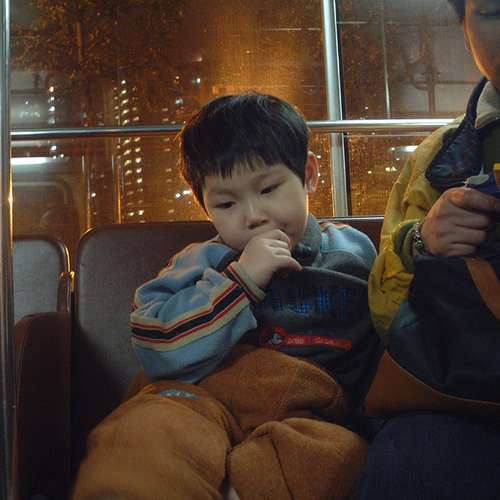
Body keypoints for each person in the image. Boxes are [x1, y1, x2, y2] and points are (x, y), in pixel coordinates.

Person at [72, 93, 381, 500]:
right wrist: (240, 282)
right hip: (206, 400)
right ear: (205, 206)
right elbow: (154, 345)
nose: (253, 215)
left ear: (308, 175)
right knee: (148, 431)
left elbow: (382, 342)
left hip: (310, 414)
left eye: (268, 188)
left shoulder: (352, 252)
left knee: (338, 457)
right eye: (227, 203)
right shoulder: (197, 263)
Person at [360, 0, 500, 498]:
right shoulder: (435, 159)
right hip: (467, 395)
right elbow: (384, 315)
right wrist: (421, 241)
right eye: (494, 12)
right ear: (464, 26)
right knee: (410, 457)